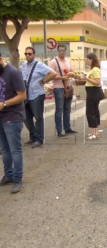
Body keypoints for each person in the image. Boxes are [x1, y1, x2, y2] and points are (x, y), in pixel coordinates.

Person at [0, 53, 26, 193]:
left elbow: (22, 95)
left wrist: (4, 104)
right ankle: (8, 175)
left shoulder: (13, 73)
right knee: (4, 149)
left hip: (12, 116)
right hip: (1, 116)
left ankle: (17, 179)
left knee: (15, 149)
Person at [22, 47, 57, 148]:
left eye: (29, 54)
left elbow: (53, 73)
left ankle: (39, 139)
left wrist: (43, 81)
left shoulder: (39, 65)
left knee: (38, 118)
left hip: (36, 94)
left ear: (34, 54)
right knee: (26, 117)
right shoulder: (24, 65)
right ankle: (33, 136)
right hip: (26, 95)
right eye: (26, 54)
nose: (27, 55)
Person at [49, 44, 78, 139]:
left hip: (68, 87)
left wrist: (71, 74)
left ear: (65, 51)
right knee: (59, 110)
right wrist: (61, 77)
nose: (61, 52)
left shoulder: (68, 61)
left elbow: (72, 72)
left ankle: (67, 127)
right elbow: (50, 75)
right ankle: (59, 131)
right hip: (58, 88)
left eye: (63, 50)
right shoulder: (53, 62)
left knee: (67, 109)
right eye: (60, 50)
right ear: (57, 51)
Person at [84, 53, 103, 140]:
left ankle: (95, 133)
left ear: (91, 59)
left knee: (90, 112)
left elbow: (97, 82)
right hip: (91, 91)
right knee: (94, 111)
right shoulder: (92, 69)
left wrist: (87, 78)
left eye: (87, 59)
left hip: (93, 92)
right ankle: (95, 131)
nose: (86, 61)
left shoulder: (95, 70)